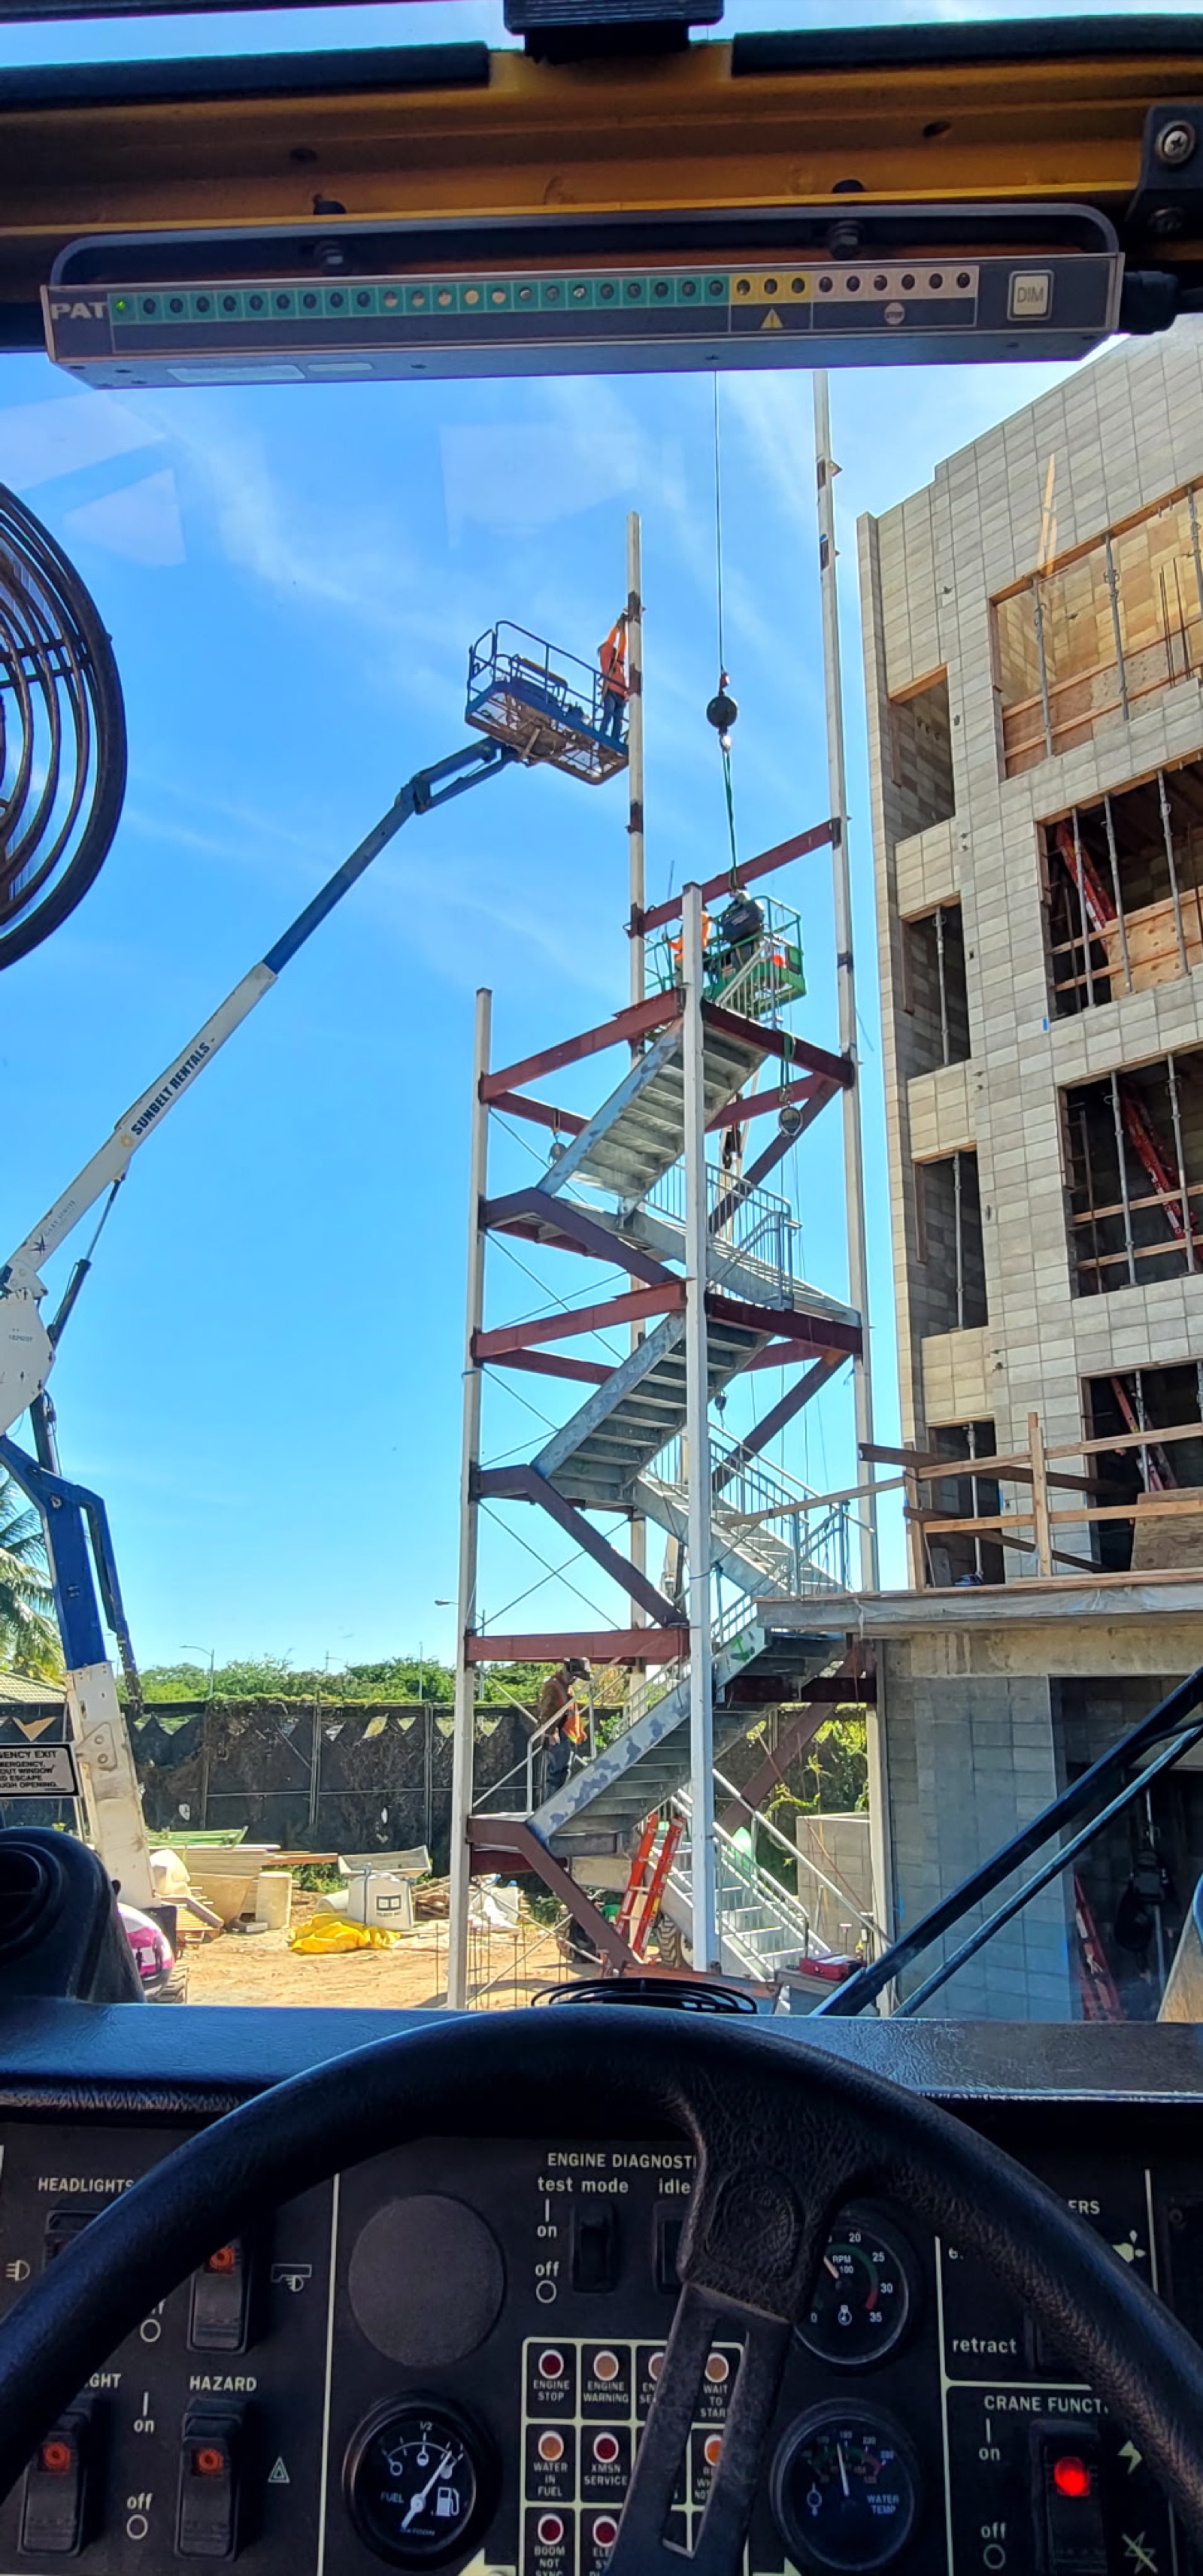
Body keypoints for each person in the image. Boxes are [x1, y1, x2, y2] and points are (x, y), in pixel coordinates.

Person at [538, 1656, 590, 1799]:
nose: (575, 1679)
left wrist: (579, 1730)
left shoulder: (567, 1688)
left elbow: (572, 1713)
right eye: (574, 1675)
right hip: (559, 1735)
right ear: (568, 1669)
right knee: (557, 1773)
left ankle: (557, 1803)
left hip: (567, 1734)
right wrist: (550, 1733)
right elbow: (546, 1711)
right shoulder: (554, 1686)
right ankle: (551, 1807)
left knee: (563, 1771)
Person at [597, 614, 629, 743]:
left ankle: (612, 742)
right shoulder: (606, 659)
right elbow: (610, 642)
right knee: (608, 715)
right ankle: (601, 739)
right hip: (611, 691)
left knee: (618, 722)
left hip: (621, 695)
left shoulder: (618, 661)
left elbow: (622, 646)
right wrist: (617, 627)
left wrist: (623, 630)